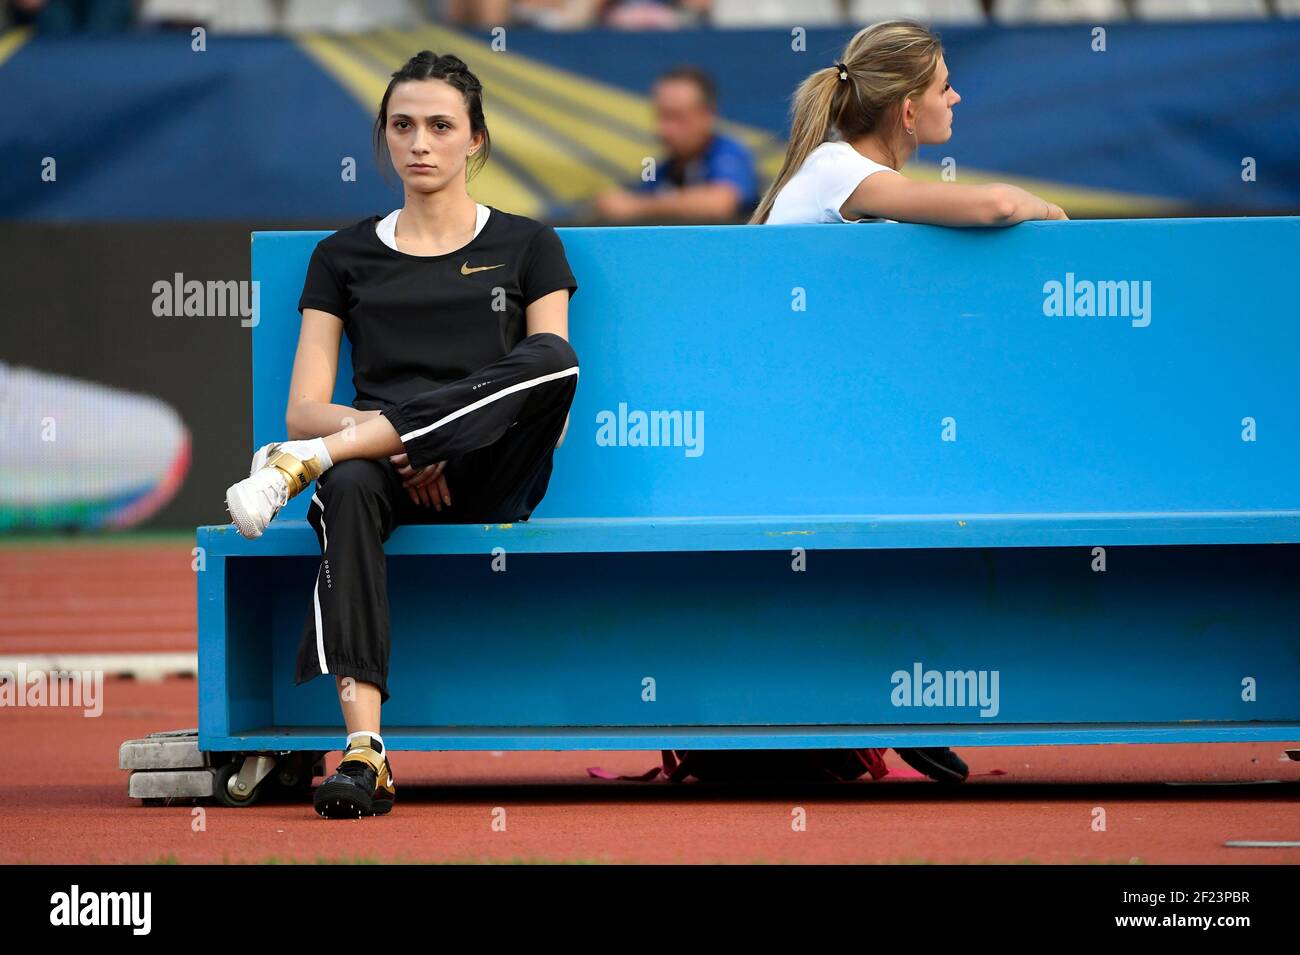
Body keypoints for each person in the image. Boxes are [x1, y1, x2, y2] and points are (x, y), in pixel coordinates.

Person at [224, 50, 580, 819]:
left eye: (441, 126)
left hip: (496, 470)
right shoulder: (342, 255)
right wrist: (396, 444)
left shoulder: (529, 246)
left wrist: (436, 442)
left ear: (476, 141)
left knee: (555, 358)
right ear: (384, 137)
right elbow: (304, 408)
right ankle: (365, 752)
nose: (420, 143)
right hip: (379, 470)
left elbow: (549, 393)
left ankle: (303, 469)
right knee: (346, 483)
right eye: (403, 125)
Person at [754, 19, 1067, 784]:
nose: (955, 96)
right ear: (905, 111)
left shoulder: (843, 175)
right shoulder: (836, 171)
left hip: (799, 423)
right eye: (942, 86)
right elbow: (990, 209)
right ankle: (898, 694)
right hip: (778, 438)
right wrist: (1044, 211)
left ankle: (899, 693)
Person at [595, 65, 758, 224]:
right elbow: (626, 201)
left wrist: (636, 206)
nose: (663, 130)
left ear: (708, 115)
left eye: (676, 117)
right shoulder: (659, 167)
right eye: (661, 116)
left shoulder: (729, 152)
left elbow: (721, 202)